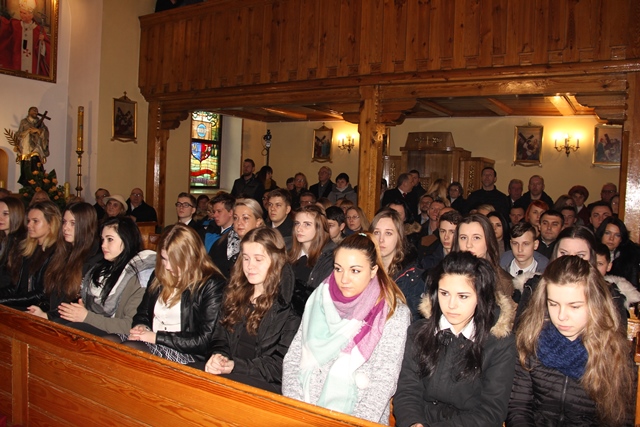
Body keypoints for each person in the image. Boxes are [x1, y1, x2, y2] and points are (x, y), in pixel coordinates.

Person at [283, 232, 410, 424]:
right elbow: (293, 358)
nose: (344, 279)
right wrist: (298, 412)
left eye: (355, 271)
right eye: (338, 269)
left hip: (356, 418)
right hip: (305, 411)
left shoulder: (392, 312)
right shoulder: (320, 298)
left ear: (373, 271)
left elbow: (383, 381)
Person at [507, 256, 635, 427]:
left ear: (595, 304)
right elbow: (518, 408)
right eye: (553, 304)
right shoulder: (530, 340)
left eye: (574, 306)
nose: (561, 316)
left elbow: (619, 420)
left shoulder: (614, 354)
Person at [393, 251, 517, 427]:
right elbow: (408, 390)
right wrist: (413, 423)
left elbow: (491, 412)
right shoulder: (419, 332)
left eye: (463, 296)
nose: (451, 305)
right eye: (444, 293)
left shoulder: (500, 344)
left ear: (480, 297)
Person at [110, 224, 226, 364]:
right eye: (164, 259)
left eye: (174, 261)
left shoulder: (211, 284)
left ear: (191, 256)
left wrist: (156, 338)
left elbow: (203, 340)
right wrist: (141, 326)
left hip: (187, 353)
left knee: (129, 351)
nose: (168, 266)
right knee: (108, 343)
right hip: (152, 341)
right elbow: (142, 313)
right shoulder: (159, 274)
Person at [205, 228, 300, 393]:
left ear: (276, 260)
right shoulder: (235, 292)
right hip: (232, 374)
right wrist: (219, 357)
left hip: (265, 385)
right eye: (246, 258)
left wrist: (235, 366)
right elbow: (219, 337)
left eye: (258, 259)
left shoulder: (290, 306)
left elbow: (280, 366)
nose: (250, 266)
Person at [57, 217, 156, 336]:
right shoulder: (103, 268)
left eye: (110, 239)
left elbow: (130, 326)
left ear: (127, 240)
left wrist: (86, 316)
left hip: (121, 337)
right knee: (57, 325)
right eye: (102, 239)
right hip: (102, 327)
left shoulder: (141, 275)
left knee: (69, 331)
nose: (103, 245)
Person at [26, 202, 102, 321]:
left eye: (73, 223)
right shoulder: (63, 252)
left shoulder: (95, 259)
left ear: (86, 225)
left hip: (74, 323)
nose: (65, 228)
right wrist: (43, 313)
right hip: (56, 317)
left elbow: (78, 304)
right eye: (64, 222)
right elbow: (53, 295)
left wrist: (48, 316)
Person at [0, 200, 60, 310]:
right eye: (28, 221)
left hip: (40, 310)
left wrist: (4, 301)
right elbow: (17, 287)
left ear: (51, 223)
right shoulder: (29, 249)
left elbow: (41, 295)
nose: (29, 225)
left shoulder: (56, 252)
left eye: (35, 221)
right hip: (24, 305)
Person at [371, 208, 425, 321]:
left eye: (388, 233)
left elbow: (414, 322)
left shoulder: (411, 277)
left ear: (399, 237)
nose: (381, 239)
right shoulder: (363, 269)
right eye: (377, 232)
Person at [452, 214, 515, 299]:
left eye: (476, 238)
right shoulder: (446, 276)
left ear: (488, 241)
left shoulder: (505, 283)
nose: (468, 244)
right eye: (463, 238)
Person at [288, 205, 336, 315]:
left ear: (319, 228)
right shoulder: (287, 252)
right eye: (297, 223)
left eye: (307, 224)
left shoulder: (330, 258)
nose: (299, 229)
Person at [208, 198, 264, 278]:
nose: (239, 223)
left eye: (245, 218)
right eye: (235, 218)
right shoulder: (220, 244)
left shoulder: (265, 246)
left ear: (258, 222)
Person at [596, 217, 640, 291]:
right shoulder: (590, 252)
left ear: (621, 239)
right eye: (607, 233)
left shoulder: (630, 258)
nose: (611, 238)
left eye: (617, 235)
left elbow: (634, 288)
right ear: (601, 234)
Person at [7, 2, 51, 75]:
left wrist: (42, 42)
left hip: (33, 64)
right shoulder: (15, 25)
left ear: (31, 15)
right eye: (21, 12)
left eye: (24, 13)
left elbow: (47, 50)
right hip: (17, 62)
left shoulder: (38, 30)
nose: (21, 15)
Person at [15, 106, 49, 186]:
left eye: (36, 111)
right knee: (26, 164)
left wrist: (38, 130)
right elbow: (18, 134)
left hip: (36, 146)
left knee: (35, 161)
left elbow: (45, 133)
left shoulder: (40, 123)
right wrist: (28, 131)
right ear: (29, 112)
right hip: (26, 146)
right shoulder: (24, 122)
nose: (35, 112)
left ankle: (37, 182)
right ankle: (26, 183)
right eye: (33, 110)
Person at [0, 197, 27, 288]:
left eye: (5, 214)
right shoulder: (4, 238)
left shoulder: (21, 242)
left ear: (16, 215)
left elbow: (14, 281)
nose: (0, 218)